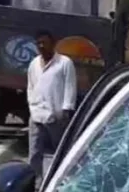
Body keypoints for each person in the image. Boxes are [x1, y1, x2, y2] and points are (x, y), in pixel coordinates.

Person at [27, 29, 77, 181]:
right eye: (39, 43)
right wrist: (32, 105)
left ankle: (59, 182)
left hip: (56, 116)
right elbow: (30, 86)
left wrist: (66, 110)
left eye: (45, 43)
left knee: (60, 152)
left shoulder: (64, 63)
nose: (41, 46)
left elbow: (70, 87)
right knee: (34, 153)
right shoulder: (34, 64)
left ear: (53, 44)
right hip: (37, 115)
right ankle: (35, 185)